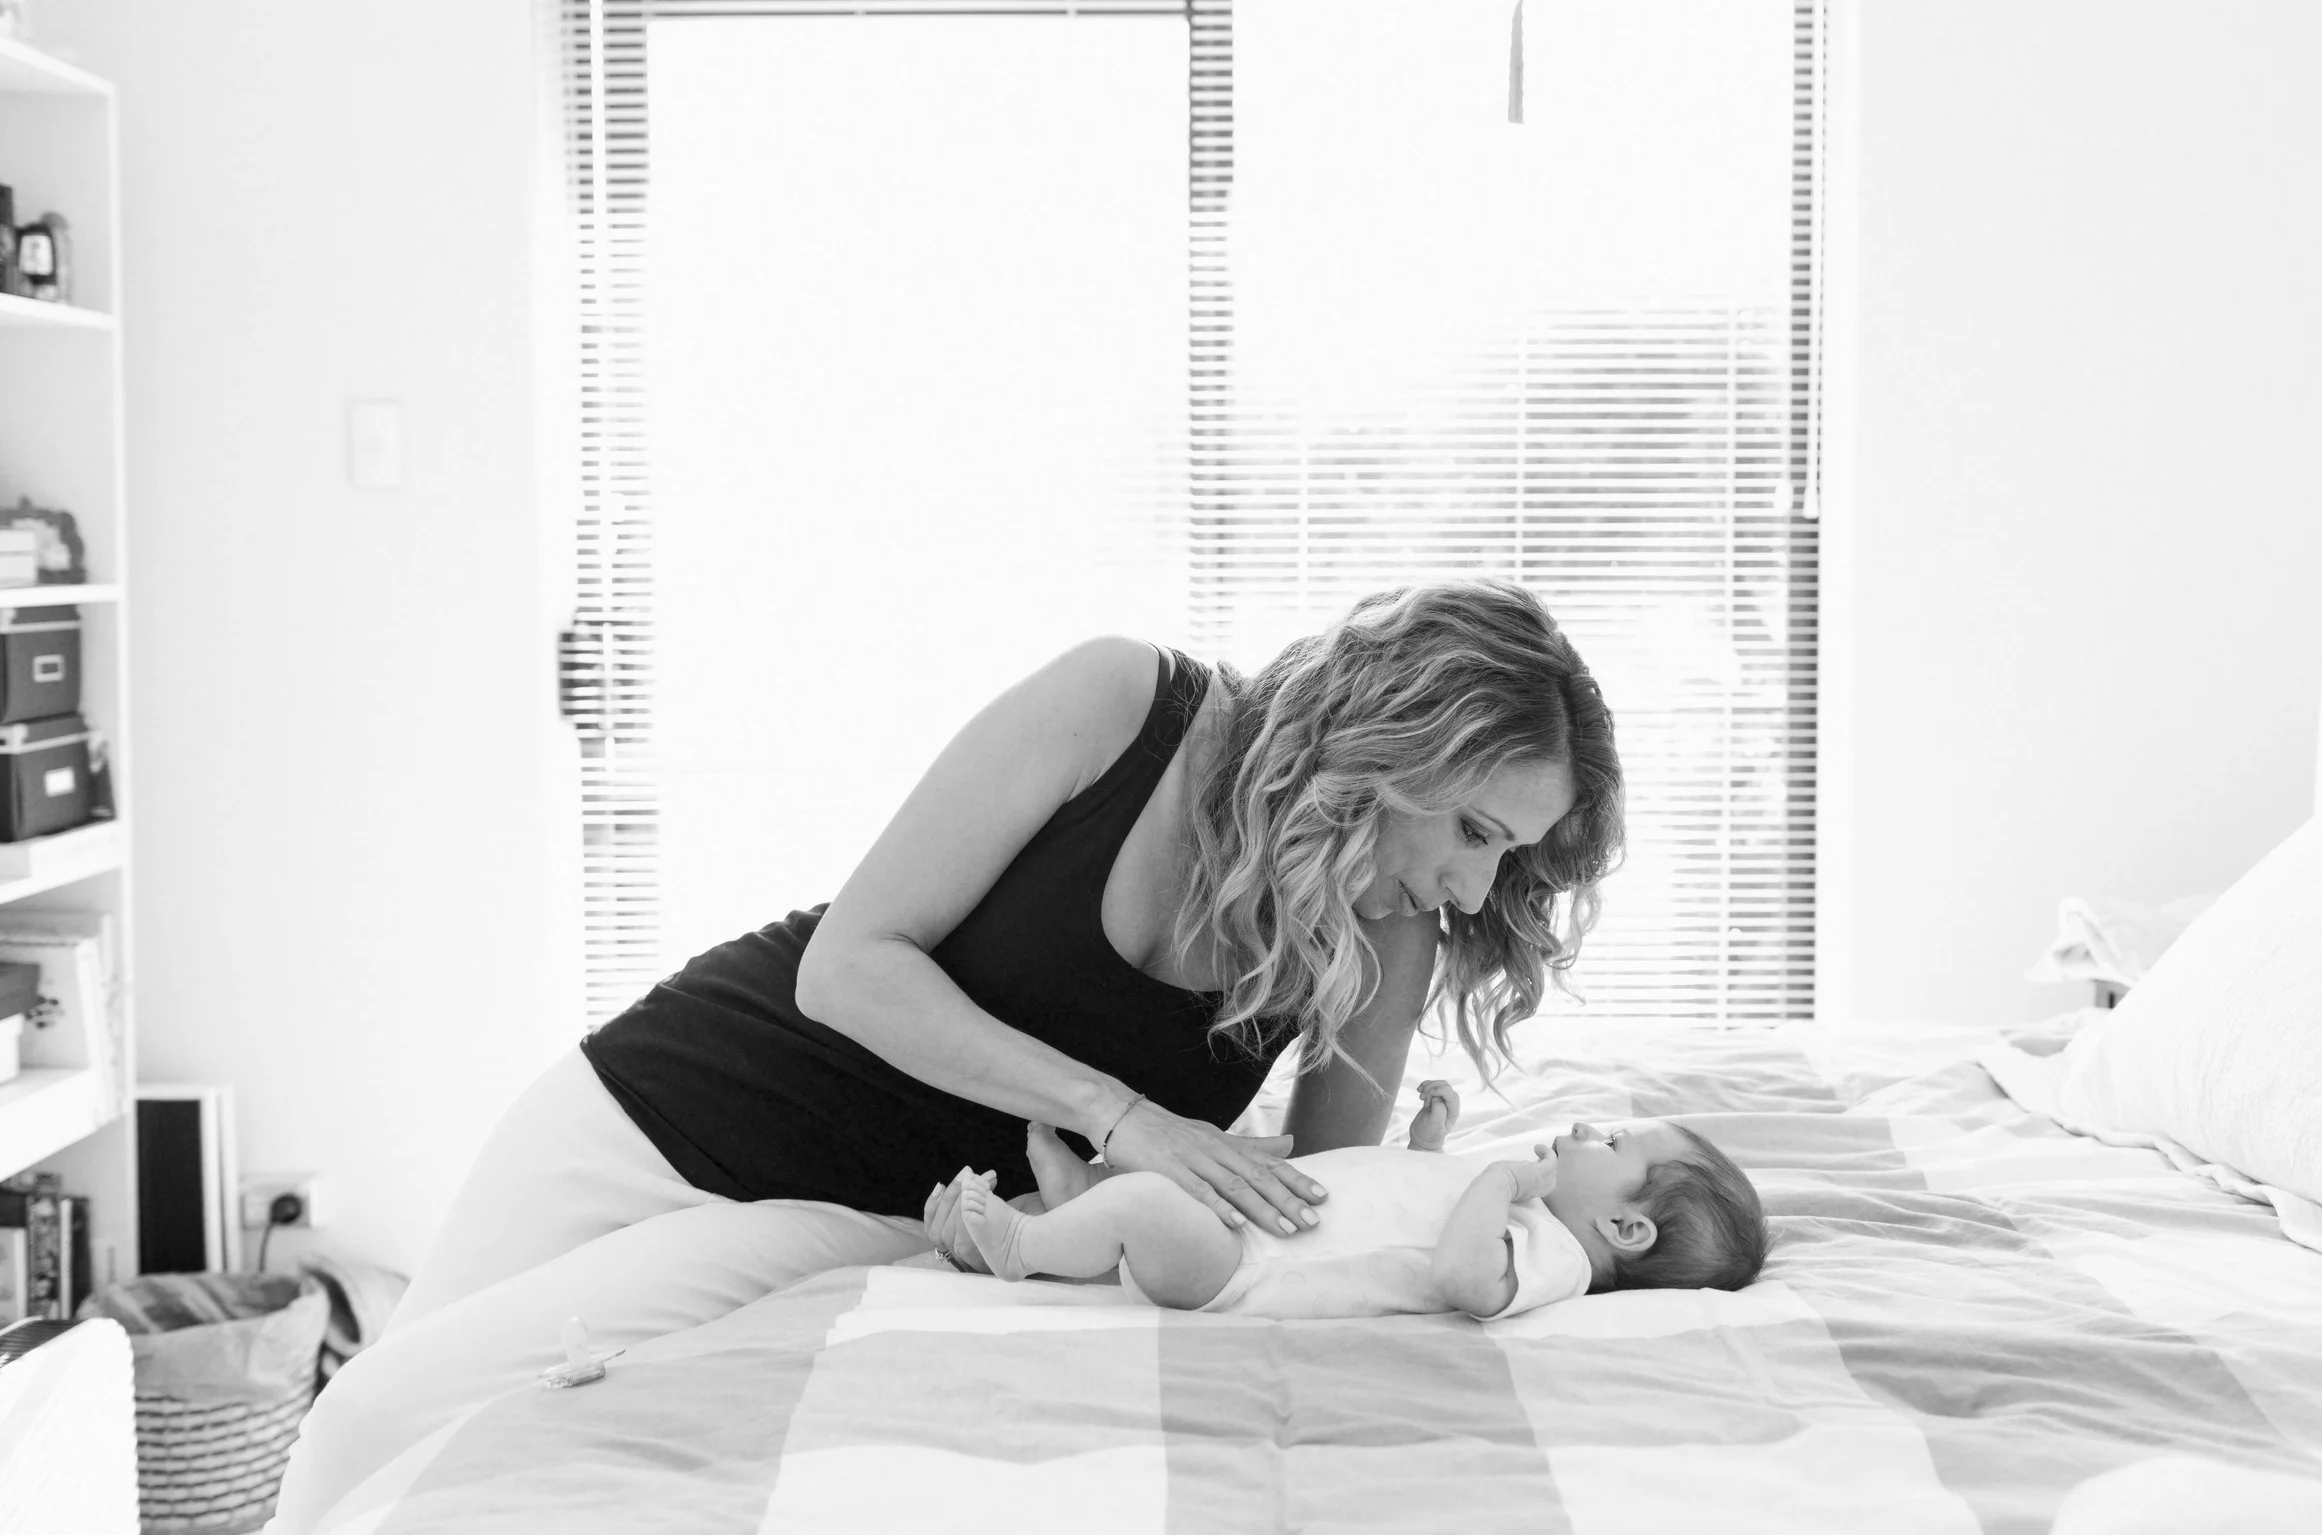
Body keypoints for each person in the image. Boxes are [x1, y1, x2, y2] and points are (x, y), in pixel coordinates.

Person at [274, 579, 1623, 1529]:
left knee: (413, 1426)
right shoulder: (1125, 706)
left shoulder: (1392, 935)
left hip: (868, 1214)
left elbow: (1326, 1219)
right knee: (364, 1424)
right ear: (1392, 744)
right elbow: (848, 965)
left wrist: (1481, 1216)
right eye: (1473, 828)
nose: (1471, 884)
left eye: (1506, 852)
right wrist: (1123, 1115)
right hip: (667, 1102)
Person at [938, 1078, 1767, 1318]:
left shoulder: (1556, 1262)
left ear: (1623, 1227)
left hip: (1245, 1271)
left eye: (1612, 1143)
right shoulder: (1531, 1217)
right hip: (1259, 1229)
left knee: (1150, 1205)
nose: (1586, 1126)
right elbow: (1412, 1216)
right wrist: (1430, 1149)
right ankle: (1079, 1204)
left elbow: (1458, 1274)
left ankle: (1026, 1249)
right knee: (1164, 1187)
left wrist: (1502, 1178)